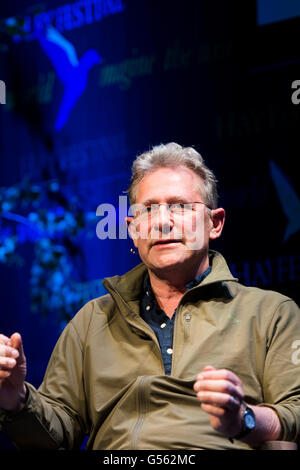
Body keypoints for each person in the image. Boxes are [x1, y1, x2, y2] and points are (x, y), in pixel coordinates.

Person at [0, 142, 300, 450]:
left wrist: (244, 418)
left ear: (215, 223)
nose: (161, 221)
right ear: (133, 229)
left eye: (180, 206)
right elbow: (56, 435)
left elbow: (296, 412)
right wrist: (16, 399)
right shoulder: (93, 319)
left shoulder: (271, 312)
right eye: (149, 209)